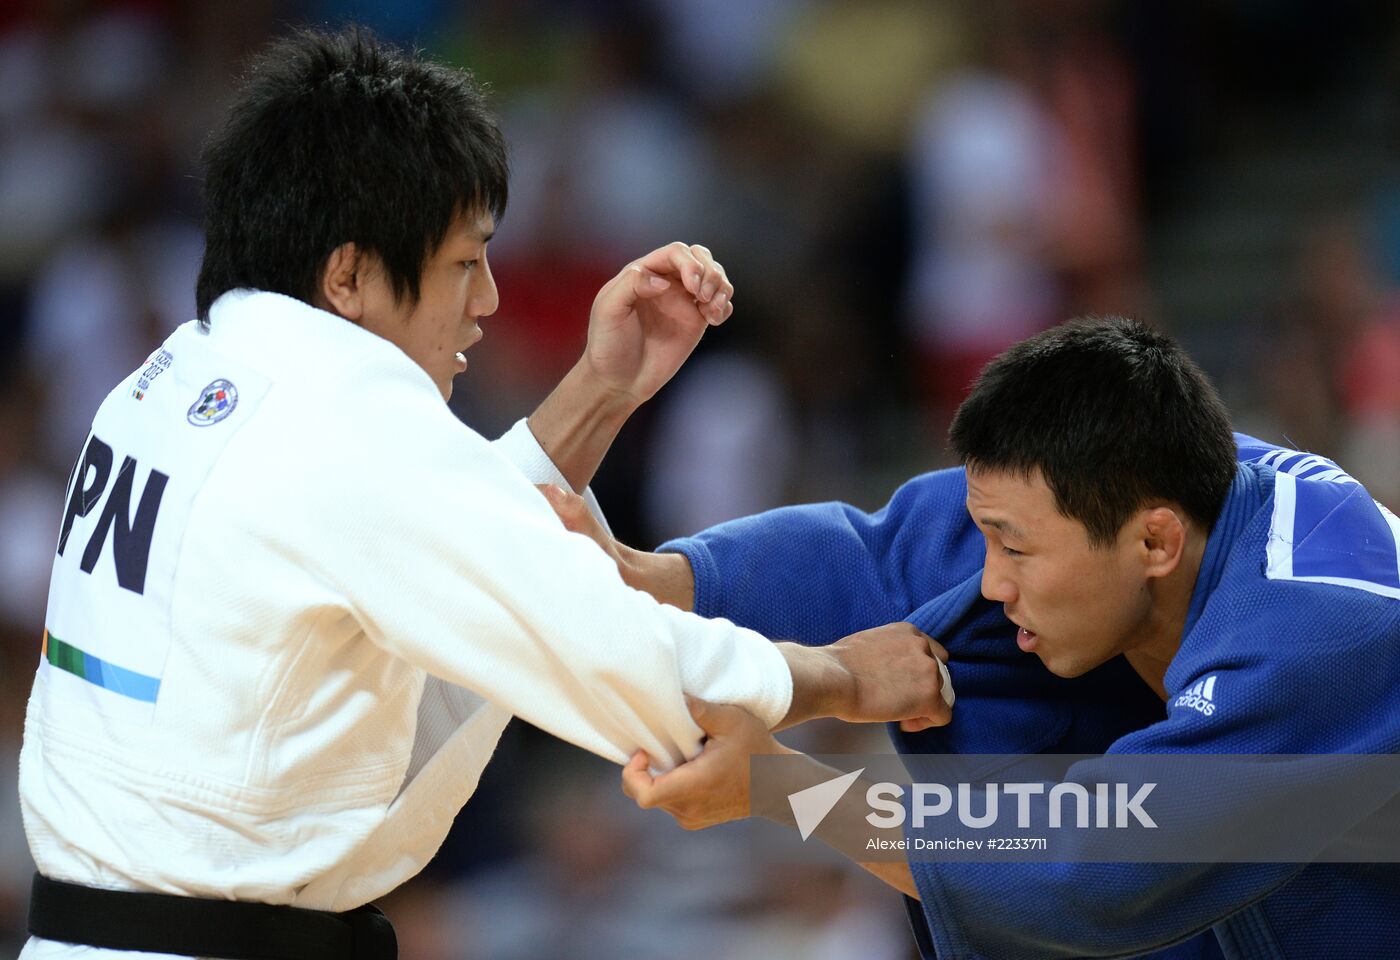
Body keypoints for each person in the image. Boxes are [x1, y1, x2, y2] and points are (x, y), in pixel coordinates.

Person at [17, 27, 955, 960]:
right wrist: (843, 676)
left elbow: (428, 547)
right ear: (347, 276)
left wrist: (600, 391)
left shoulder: (177, 381)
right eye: (465, 262)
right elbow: (601, 646)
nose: (491, 300)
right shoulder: (340, 417)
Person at [548, 316, 1400, 959]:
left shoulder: (1318, 637)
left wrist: (783, 788)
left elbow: (1094, 860)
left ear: (1154, 543)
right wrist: (645, 577)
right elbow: (879, 554)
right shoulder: (1151, 478)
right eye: (990, 537)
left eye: (1015, 549)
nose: (992, 581)